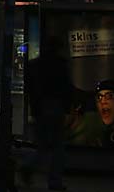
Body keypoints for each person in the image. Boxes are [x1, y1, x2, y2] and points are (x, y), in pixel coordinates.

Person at [21, 36, 73, 191]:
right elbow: (66, 88)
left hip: (40, 108)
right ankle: (54, 181)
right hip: (55, 107)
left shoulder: (34, 65)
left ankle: (28, 165)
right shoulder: (60, 65)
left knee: (42, 145)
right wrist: (67, 106)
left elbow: (29, 86)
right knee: (57, 147)